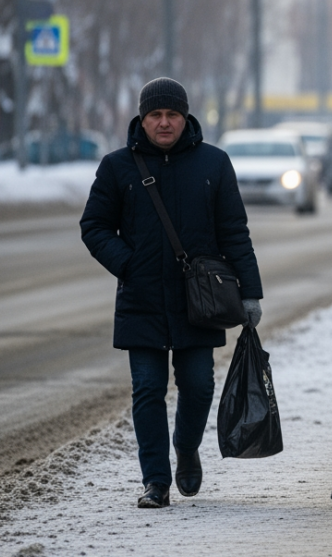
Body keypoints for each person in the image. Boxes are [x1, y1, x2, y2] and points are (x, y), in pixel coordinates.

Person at [81, 77, 264, 509]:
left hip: (199, 302)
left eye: (172, 115)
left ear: (186, 118)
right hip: (141, 300)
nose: (164, 123)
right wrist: (128, 264)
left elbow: (234, 232)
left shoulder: (214, 164)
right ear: (141, 119)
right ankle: (156, 482)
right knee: (147, 389)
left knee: (199, 386)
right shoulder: (117, 167)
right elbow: (94, 226)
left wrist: (250, 292)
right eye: (155, 115)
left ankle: (186, 448)